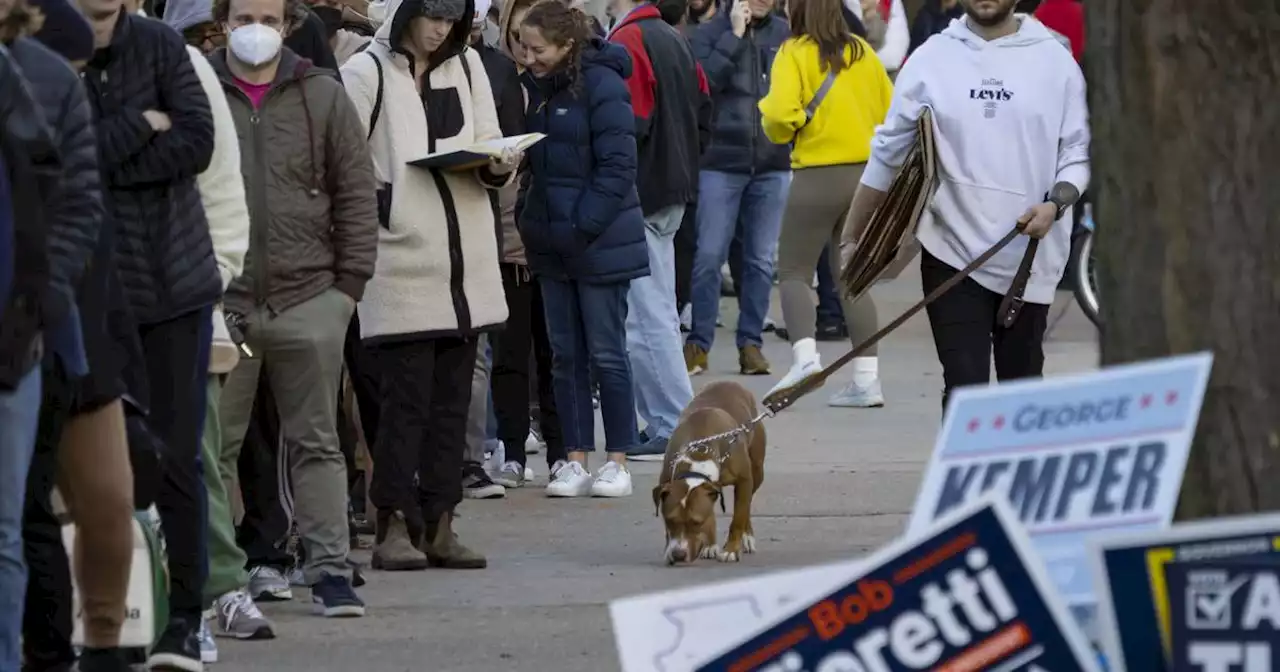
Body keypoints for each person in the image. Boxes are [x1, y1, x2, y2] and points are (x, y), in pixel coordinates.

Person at [209, 0, 378, 620]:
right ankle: (219, 577)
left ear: (286, 26)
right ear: (222, 22)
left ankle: (330, 568)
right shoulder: (197, 89)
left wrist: (346, 292)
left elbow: (355, 192)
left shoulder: (322, 95)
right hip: (222, 303)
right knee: (214, 447)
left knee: (317, 441)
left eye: (269, 17)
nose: (256, 29)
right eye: (244, 15)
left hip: (310, 299)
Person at [841, 0, 1089, 411]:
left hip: (1030, 257)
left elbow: (1078, 150)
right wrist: (853, 237)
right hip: (951, 252)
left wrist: (1057, 203)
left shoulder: (1055, 61)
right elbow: (887, 151)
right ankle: (965, 477)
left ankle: (1019, 475)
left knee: (1021, 389)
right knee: (963, 389)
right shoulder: (931, 58)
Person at [341, 0, 513, 570]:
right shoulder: (366, 71)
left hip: (465, 267)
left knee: (451, 405)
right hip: (399, 264)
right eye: (432, 14)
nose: (441, 27)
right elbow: (341, 161)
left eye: (451, 15)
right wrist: (384, 205)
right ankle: (391, 521)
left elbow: (490, 138)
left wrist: (496, 164)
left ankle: (440, 523)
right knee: (402, 406)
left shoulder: (467, 68)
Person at [75, 0, 221, 661]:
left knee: (176, 455)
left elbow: (196, 141)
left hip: (173, 288)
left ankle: (186, 619)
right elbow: (66, 158)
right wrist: (140, 124)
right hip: (91, 298)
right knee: (101, 471)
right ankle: (117, 624)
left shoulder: (162, 46)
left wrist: (109, 154)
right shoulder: (52, 53)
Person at [516, 0, 647, 497]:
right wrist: (532, 217)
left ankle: (618, 459)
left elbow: (618, 167)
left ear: (567, 45)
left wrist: (580, 227)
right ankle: (573, 458)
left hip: (596, 243)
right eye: (524, 48)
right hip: (551, 243)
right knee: (564, 355)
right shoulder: (538, 89)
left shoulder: (604, 83)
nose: (529, 58)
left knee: (607, 353)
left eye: (538, 49)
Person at [760, 0, 890, 408]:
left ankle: (805, 359)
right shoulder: (863, 52)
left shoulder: (792, 52)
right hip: (865, 176)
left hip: (817, 174)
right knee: (851, 276)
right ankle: (867, 380)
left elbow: (780, 117)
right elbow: (891, 110)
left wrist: (782, 120)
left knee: (794, 271)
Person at [604, 0, 706, 459]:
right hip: (673, 186)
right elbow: (706, 107)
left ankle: (675, 423)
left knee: (646, 318)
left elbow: (630, 122)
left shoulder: (630, 39)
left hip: (644, 191)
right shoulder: (674, 39)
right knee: (655, 311)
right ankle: (672, 421)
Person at [0, 23, 62, 671]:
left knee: (5, 529)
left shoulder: (19, 76)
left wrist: (30, 307)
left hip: (12, 336)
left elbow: (56, 196)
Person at [685, 0, 789, 377]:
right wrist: (734, 36)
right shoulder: (710, 33)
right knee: (710, 256)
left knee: (761, 261)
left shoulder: (785, 35)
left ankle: (751, 345)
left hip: (772, 163)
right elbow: (704, 85)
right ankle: (698, 343)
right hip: (720, 162)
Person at [490, 0, 567, 489]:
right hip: (504, 237)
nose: (526, 46)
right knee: (509, 355)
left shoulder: (562, 86)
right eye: (518, 34)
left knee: (555, 355)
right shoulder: (492, 76)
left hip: (551, 239)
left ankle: (562, 449)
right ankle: (513, 448)